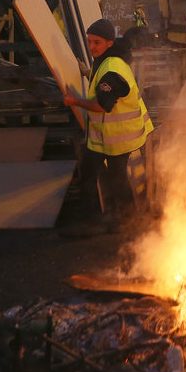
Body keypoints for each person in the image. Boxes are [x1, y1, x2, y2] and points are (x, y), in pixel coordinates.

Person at [63, 19, 154, 235]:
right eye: (90, 42)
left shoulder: (113, 71)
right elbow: (101, 79)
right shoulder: (107, 61)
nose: (92, 47)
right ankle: (119, 219)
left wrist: (74, 101)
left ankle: (116, 221)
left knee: (113, 179)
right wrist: (87, 72)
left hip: (118, 137)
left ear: (110, 43)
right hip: (107, 136)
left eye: (97, 43)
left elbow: (102, 105)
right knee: (100, 175)